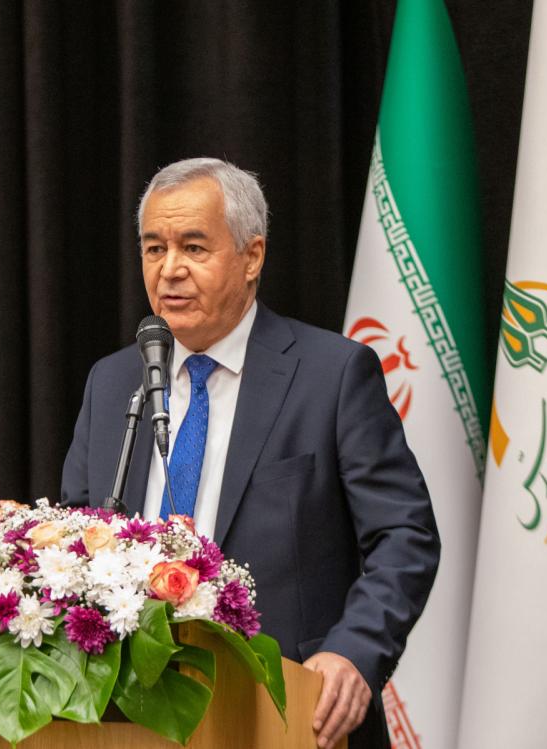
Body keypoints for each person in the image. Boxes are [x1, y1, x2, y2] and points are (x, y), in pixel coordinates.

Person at [60, 157, 439, 749]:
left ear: (252, 256)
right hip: (131, 718)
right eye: (154, 248)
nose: (169, 270)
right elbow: (75, 537)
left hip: (293, 711)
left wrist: (354, 651)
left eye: (193, 247)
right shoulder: (112, 384)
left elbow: (404, 535)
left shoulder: (332, 375)